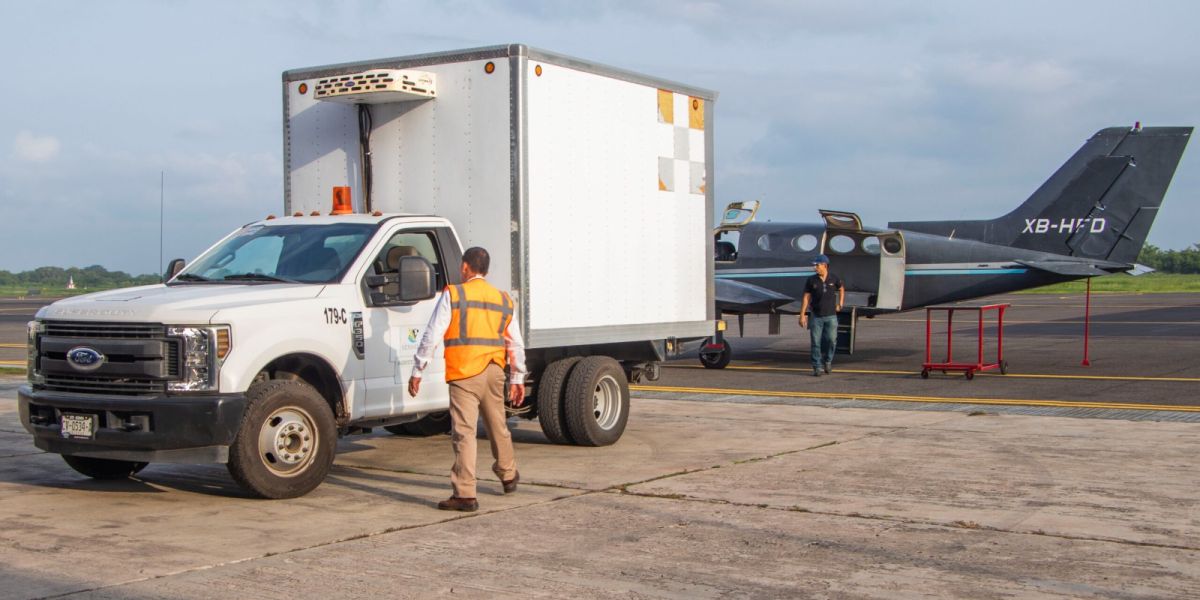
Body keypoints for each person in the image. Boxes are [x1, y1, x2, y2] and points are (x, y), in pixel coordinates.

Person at [408, 247, 526, 512]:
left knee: (464, 432)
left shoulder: (455, 294)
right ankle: (508, 474)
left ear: (465, 267)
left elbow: (432, 333)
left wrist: (418, 370)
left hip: (465, 372)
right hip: (494, 370)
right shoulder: (503, 299)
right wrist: (517, 377)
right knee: (497, 424)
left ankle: (465, 494)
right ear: (485, 269)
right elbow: (515, 343)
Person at [799, 254, 845, 377]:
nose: (815, 267)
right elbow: (806, 297)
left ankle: (828, 361)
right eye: (815, 265)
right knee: (815, 342)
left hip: (831, 316)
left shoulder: (834, 278)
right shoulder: (811, 280)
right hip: (816, 316)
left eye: (817, 265)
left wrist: (840, 304)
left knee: (831, 340)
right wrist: (802, 315)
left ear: (824, 265)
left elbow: (841, 288)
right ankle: (816, 367)